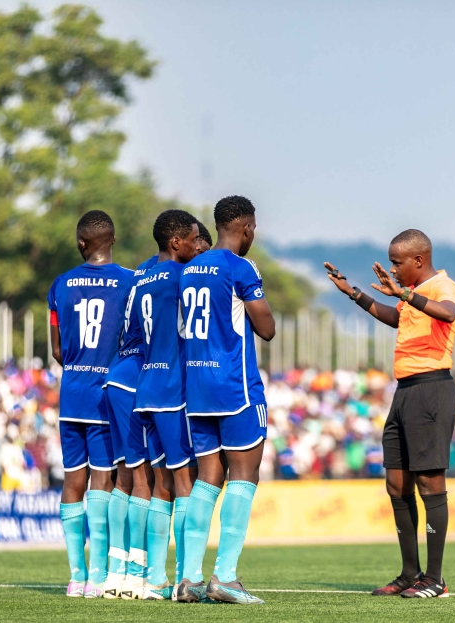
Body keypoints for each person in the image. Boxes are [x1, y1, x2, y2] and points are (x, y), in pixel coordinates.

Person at [325, 227, 455, 599]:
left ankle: (435, 579)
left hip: (432, 389)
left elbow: (447, 314)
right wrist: (354, 293)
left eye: (398, 263)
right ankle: (409, 573)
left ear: (418, 260)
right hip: (405, 392)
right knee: (397, 485)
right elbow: (399, 318)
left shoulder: (441, 286)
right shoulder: (412, 295)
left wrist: (405, 293)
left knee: (430, 484)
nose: (394, 270)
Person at [177, 195, 276, 604]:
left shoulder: (188, 269)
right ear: (247, 227)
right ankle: (226, 577)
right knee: (244, 475)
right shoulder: (240, 266)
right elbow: (266, 327)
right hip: (234, 386)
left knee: (206, 480)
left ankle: (188, 579)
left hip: (196, 390)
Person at [48, 210, 132, 598]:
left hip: (71, 395)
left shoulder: (60, 284)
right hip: (106, 395)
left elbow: (55, 349)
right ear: (112, 240)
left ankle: (75, 576)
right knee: (103, 480)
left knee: (72, 481)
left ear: (81, 243)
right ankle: (98, 576)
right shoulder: (130, 282)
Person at [128, 209, 202, 600]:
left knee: (161, 484)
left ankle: (154, 579)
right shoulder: (181, 277)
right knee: (185, 481)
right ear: (176, 242)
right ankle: (186, 579)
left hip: (147, 386)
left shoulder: (142, 278)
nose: (197, 246)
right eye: (193, 239)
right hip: (174, 388)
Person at [101, 249, 158, 599]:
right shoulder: (175, 273)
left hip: (116, 376)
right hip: (141, 378)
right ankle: (140, 576)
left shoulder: (141, 274)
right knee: (149, 478)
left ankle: (114, 574)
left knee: (124, 476)